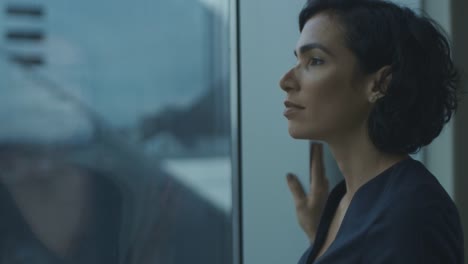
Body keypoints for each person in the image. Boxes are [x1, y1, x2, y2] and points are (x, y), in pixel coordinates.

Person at [279, 0, 464, 263]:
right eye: (297, 59)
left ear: (380, 83)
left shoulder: (414, 212)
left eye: (315, 61)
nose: (285, 81)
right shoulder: (342, 203)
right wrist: (317, 239)